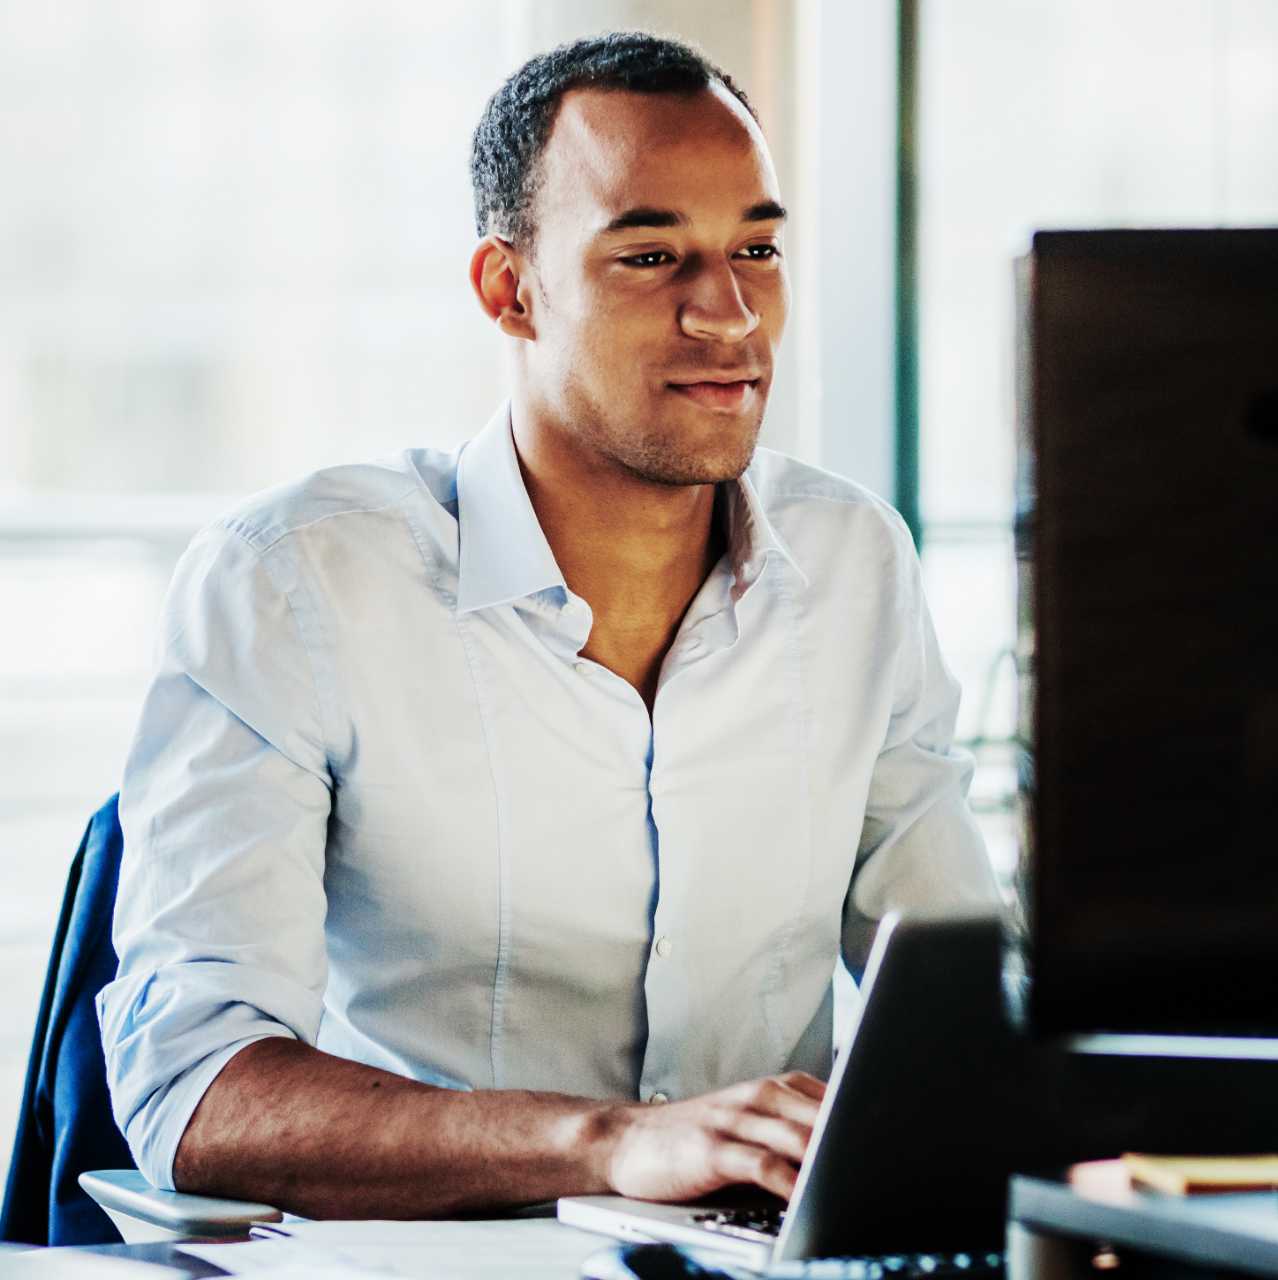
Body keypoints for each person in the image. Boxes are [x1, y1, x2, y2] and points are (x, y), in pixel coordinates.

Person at [96, 31, 998, 1220]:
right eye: (649, 254)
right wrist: (612, 1142)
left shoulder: (852, 562)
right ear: (510, 289)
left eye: (758, 249)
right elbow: (196, 1092)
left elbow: (963, 998)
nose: (729, 312)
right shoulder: (295, 582)